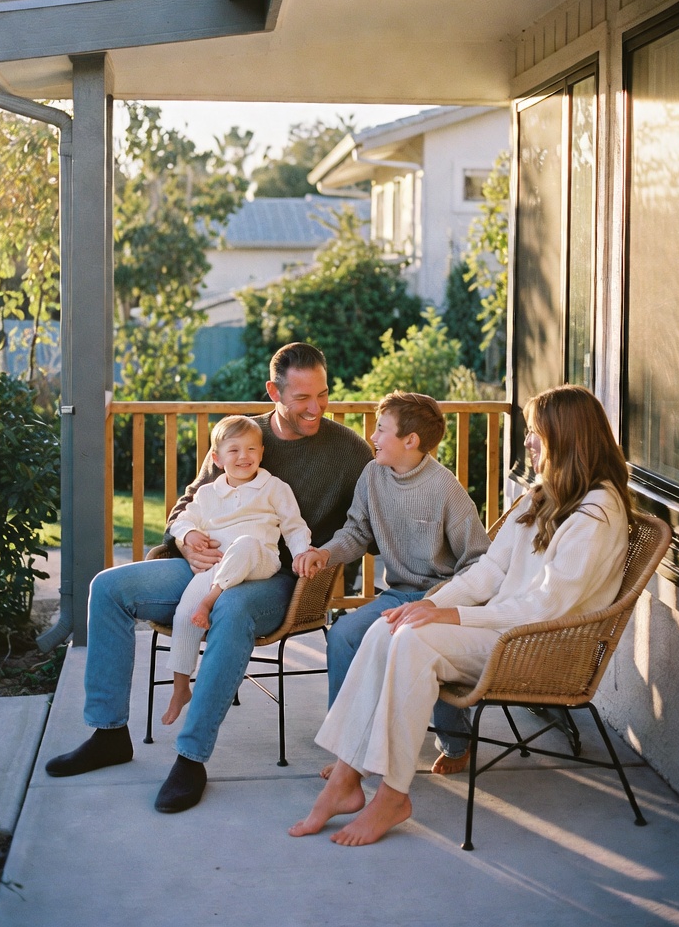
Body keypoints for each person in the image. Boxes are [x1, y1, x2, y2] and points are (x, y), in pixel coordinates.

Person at [289, 385, 634, 847]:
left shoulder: (597, 513)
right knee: (387, 627)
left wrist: (455, 617)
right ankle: (344, 783)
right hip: (502, 629)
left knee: (413, 640)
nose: (528, 441)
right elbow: (490, 568)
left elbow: (547, 606)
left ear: (568, 438)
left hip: (536, 643)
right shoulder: (544, 496)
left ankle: (392, 796)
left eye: (536, 433)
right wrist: (434, 603)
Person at [45, 342, 372, 814]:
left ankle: (191, 757)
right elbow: (188, 504)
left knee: (233, 608)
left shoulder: (345, 449)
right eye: (302, 398)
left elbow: (372, 516)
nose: (316, 407)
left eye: (322, 394)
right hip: (206, 564)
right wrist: (187, 541)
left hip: (278, 578)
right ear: (273, 392)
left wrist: (331, 552)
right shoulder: (239, 437)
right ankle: (109, 733)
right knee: (108, 587)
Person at [296, 390, 489, 776]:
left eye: (381, 429)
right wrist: (325, 553)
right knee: (344, 634)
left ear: (410, 441)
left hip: (441, 596)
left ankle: (456, 743)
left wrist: (440, 603)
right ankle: (349, 749)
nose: (373, 436)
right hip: (398, 593)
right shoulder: (373, 475)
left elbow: (479, 559)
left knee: (417, 639)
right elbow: (355, 532)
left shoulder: (444, 489)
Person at [161, 414, 311, 726]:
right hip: (215, 567)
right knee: (185, 614)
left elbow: (294, 527)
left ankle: (210, 600)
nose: (244, 457)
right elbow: (183, 520)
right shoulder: (207, 493)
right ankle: (180, 688)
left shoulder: (273, 487)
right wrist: (187, 535)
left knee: (244, 544)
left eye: (252, 449)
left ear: (261, 452)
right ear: (216, 458)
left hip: (259, 560)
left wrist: (301, 554)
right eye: (234, 450)